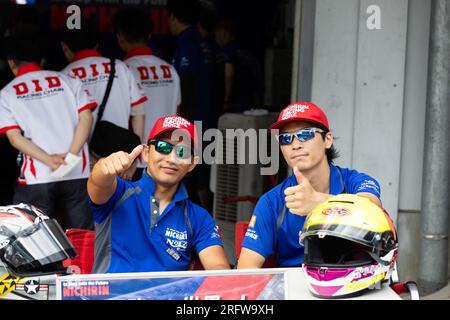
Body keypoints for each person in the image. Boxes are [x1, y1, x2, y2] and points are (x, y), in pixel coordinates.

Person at [237, 102, 382, 269]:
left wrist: (321, 203)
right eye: (285, 138)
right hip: (293, 289)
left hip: (351, 285)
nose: (296, 144)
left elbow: (373, 212)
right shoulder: (271, 202)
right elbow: (245, 270)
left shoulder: (355, 181)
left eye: (305, 134)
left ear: (327, 140)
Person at [87, 115, 230, 273]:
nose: (171, 158)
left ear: (192, 164)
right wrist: (103, 167)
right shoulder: (119, 193)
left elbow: (219, 270)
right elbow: (97, 183)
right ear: (146, 153)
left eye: (182, 151)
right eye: (163, 147)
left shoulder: (198, 217)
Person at [0, 24, 96, 229]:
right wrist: (70, 157)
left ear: (11, 62)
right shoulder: (69, 80)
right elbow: (86, 118)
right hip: (78, 170)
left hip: (38, 176)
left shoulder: (7, 93)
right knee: (82, 234)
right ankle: (81, 263)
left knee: (32, 237)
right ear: (42, 59)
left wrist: (50, 160)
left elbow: (15, 139)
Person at [60, 18, 147, 180]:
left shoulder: (63, 77)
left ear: (64, 47)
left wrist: (91, 160)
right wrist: (134, 155)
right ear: (97, 44)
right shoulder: (120, 67)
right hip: (120, 161)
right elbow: (139, 112)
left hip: (84, 165)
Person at [113, 7, 181, 181]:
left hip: (133, 161)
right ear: (149, 35)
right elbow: (177, 113)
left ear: (120, 38)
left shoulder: (122, 71)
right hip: (167, 157)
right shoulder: (170, 70)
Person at [167, 0, 215, 212]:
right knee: (201, 171)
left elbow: (185, 82)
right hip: (209, 114)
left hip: (193, 118)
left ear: (173, 18)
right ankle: (207, 220)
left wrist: (179, 117)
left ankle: (195, 219)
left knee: (188, 170)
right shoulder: (204, 43)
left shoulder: (187, 45)